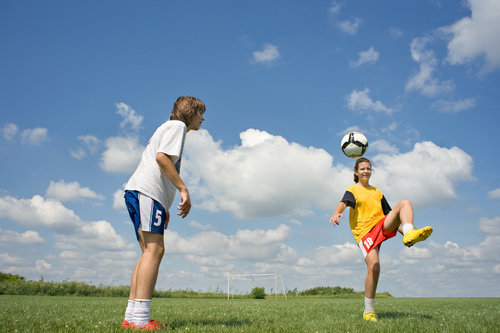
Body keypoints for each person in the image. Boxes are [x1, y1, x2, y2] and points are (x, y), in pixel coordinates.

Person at [121, 96, 205, 331]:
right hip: (146, 193)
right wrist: (183, 188)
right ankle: (140, 320)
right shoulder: (178, 126)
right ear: (190, 112)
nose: (203, 118)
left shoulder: (169, 128)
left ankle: (131, 317)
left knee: (147, 252)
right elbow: (161, 158)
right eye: (200, 112)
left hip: (141, 193)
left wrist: (164, 206)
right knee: (155, 250)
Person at [329, 157, 432, 322]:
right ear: (356, 172)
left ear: (371, 171)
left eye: (368, 168)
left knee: (405, 203)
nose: (366, 171)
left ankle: (410, 232)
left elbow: (391, 214)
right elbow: (343, 203)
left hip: (381, 225)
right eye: (362, 169)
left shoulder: (377, 192)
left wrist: (405, 235)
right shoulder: (353, 190)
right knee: (375, 267)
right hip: (365, 233)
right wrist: (336, 213)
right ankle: (368, 312)